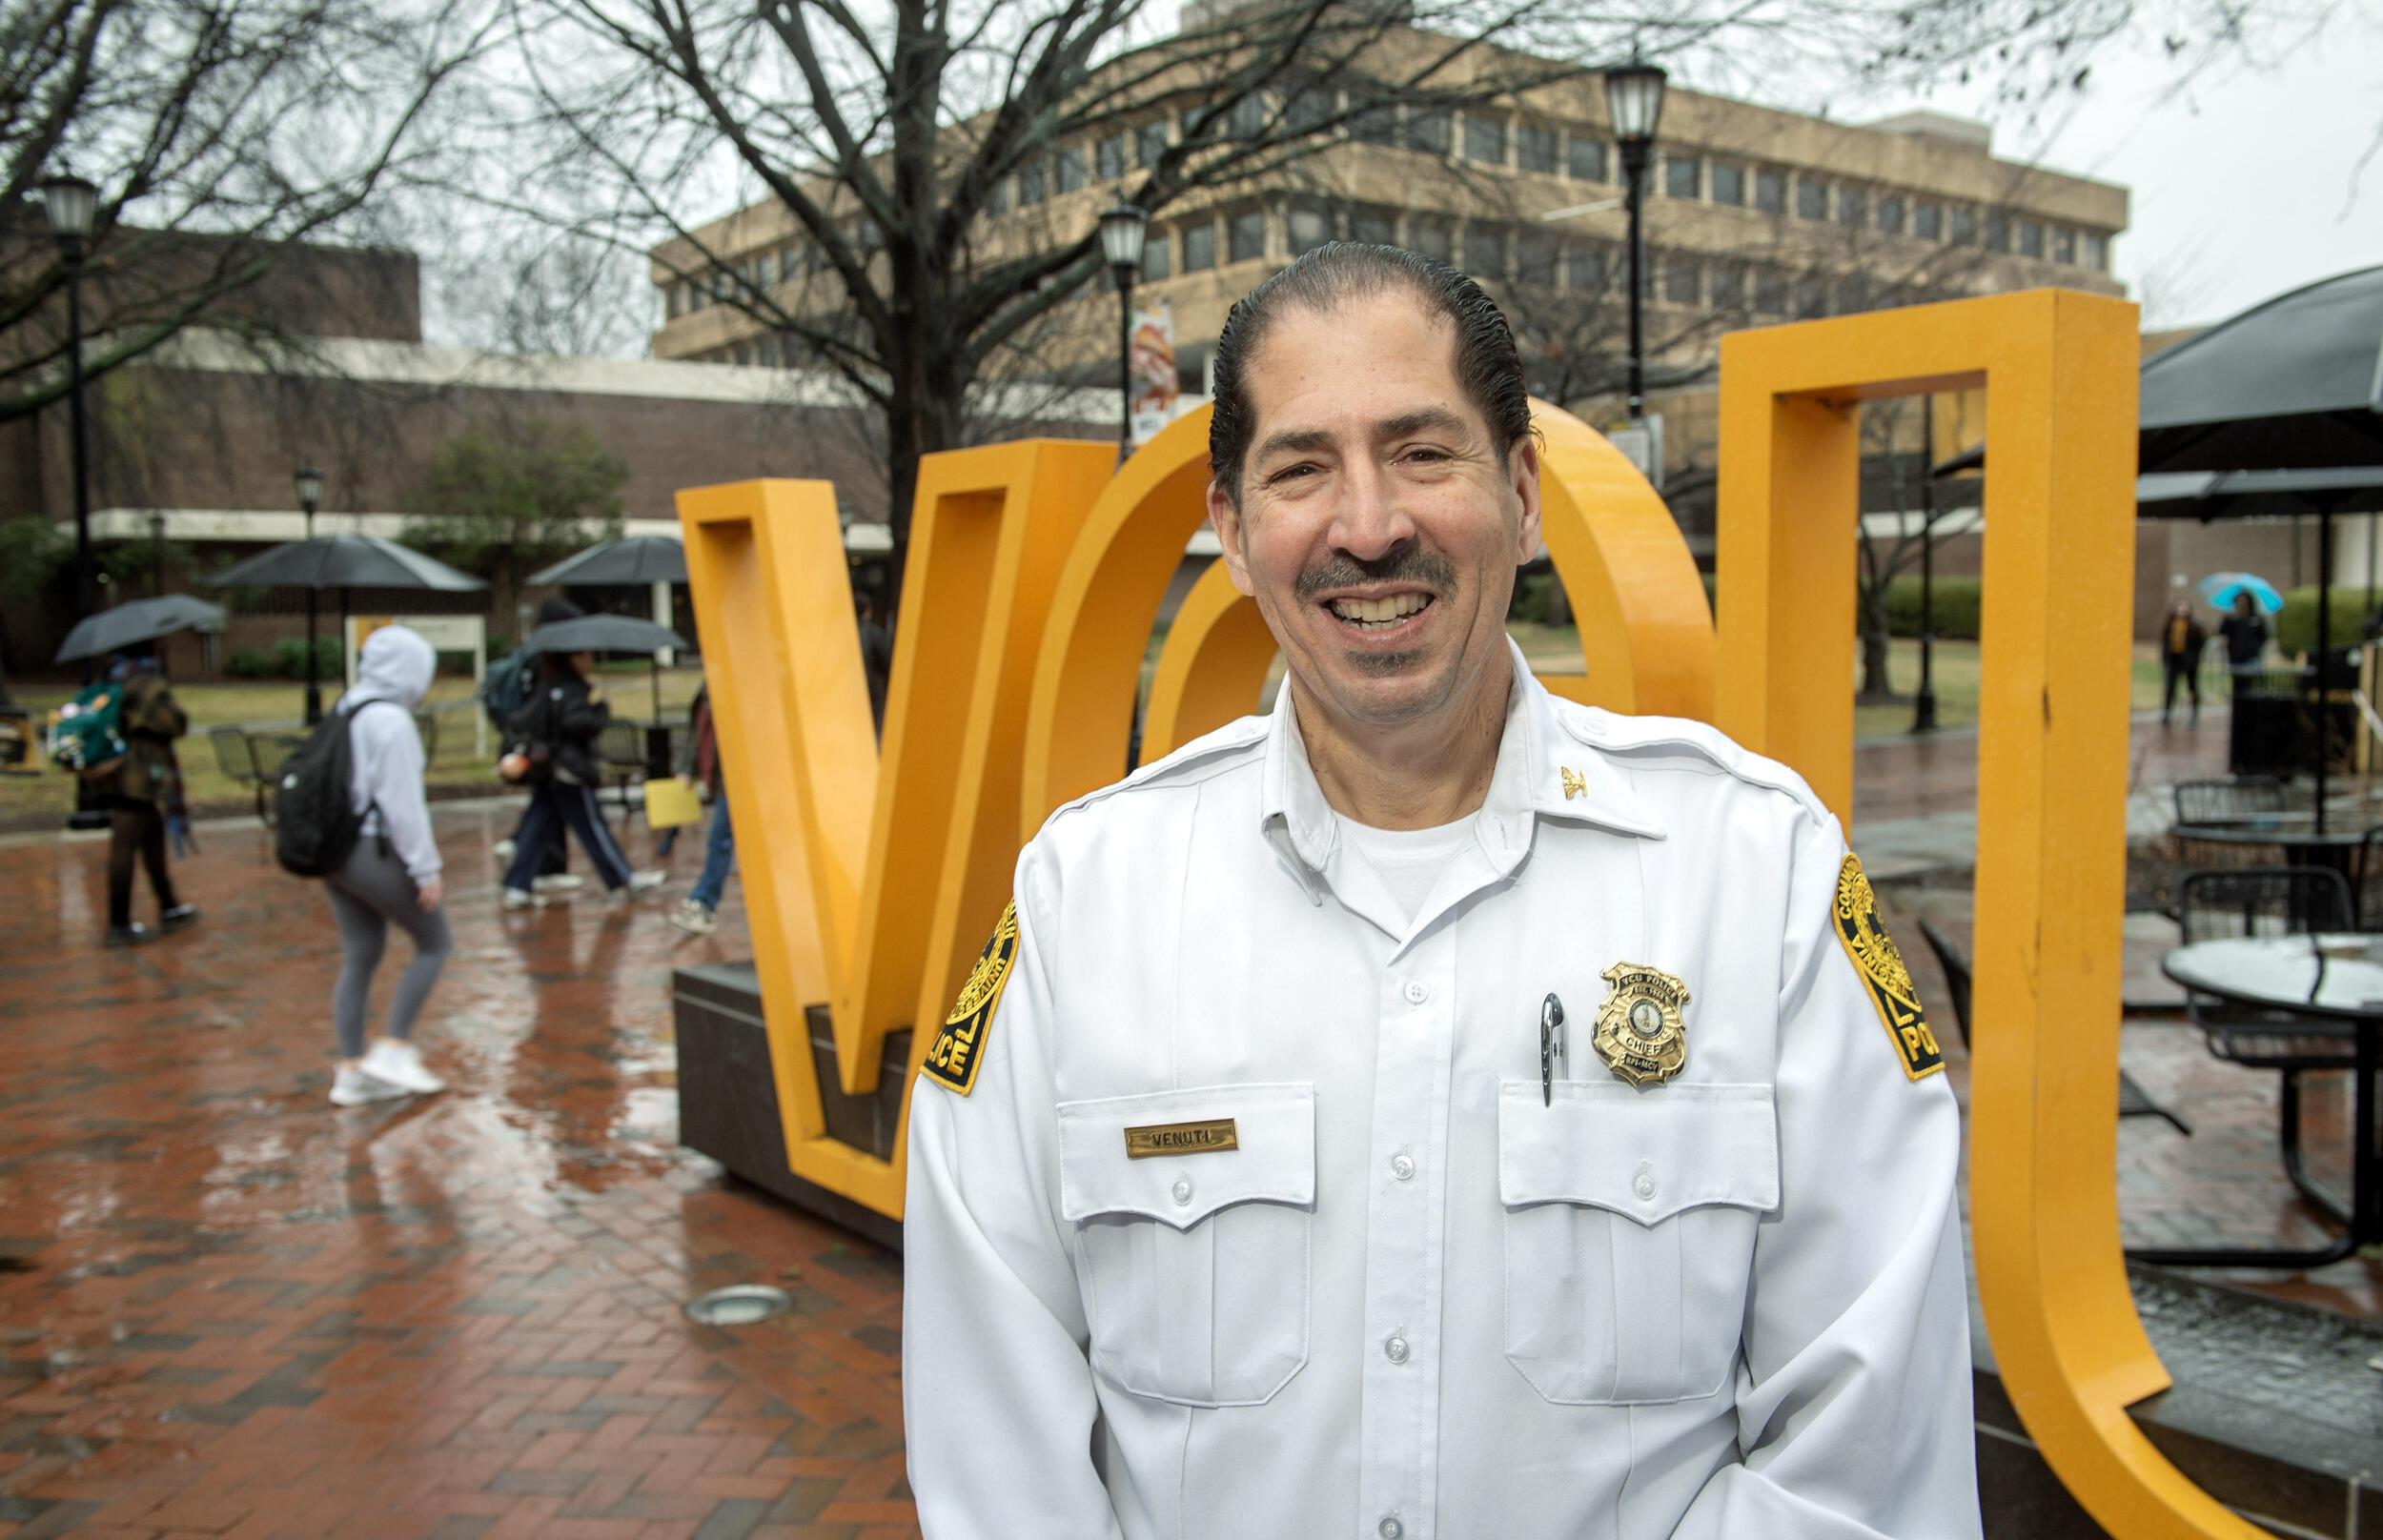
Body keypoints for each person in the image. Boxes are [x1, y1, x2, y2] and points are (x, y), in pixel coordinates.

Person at [902, 245, 1978, 1538]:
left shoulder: (1758, 875)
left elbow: (1868, 1449)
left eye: (1423, 452)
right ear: (1233, 534)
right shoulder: (1089, 899)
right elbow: (994, 1445)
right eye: (1302, 469)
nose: (1368, 527)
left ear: (1521, 494)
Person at [323, 626, 453, 1106]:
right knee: (435, 942)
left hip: (333, 852)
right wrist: (425, 870)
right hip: (372, 850)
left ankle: (351, 1069)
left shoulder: (347, 707)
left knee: (360, 952)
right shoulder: (392, 722)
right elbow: (403, 807)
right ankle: (395, 1046)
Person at [499, 645, 663, 908]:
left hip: (550, 768)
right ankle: (624, 878)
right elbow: (577, 724)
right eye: (586, 655)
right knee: (591, 825)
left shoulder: (549, 686)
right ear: (572, 657)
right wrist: (601, 710)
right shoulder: (573, 689)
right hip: (569, 770)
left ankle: (517, 887)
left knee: (537, 827)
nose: (591, 660)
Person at [98, 656, 197, 947]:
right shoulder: (146, 685)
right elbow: (176, 723)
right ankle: (118, 924)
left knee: (152, 834)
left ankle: (169, 906)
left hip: (118, 771)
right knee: (125, 845)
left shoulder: (112, 681)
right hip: (139, 776)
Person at [485, 598, 579, 881]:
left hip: (522, 738)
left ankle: (521, 858)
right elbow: (546, 705)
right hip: (540, 744)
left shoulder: (527, 655)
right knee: (553, 802)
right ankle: (544, 864)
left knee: (545, 802)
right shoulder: (545, 659)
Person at [667, 683, 734, 937]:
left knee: (720, 840)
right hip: (727, 780)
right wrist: (687, 767)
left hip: (741, 778)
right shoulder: (708, 689)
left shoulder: (736, 681)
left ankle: (704, 902)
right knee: (720, 840)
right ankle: (703, 902)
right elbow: (699, 732)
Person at [2161, 597, 2207, 725]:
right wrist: (2166, 657)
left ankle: (2194, 714)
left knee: (2192, 687)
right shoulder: (2171, 624)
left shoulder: (2194, 626)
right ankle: (2167, 713)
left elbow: (2201, 643)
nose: (2182, 610)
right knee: (2170, 687)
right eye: (2180, 607)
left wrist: (2194, 658)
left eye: (2184, 607)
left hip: (2189, 661)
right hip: (2174, 659)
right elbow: (2165, 642)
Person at [2218, 590, 2269, 679]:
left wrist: (2256, 647)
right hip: (2234, 656)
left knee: (2250, 683)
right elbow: (2222, 632)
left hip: (2251, 657)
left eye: (2244, 602)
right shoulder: (2231, 619)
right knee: (2237, 682)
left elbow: (2264, 636)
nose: (2242, 604)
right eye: (2239, 602)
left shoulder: (2256, 619)